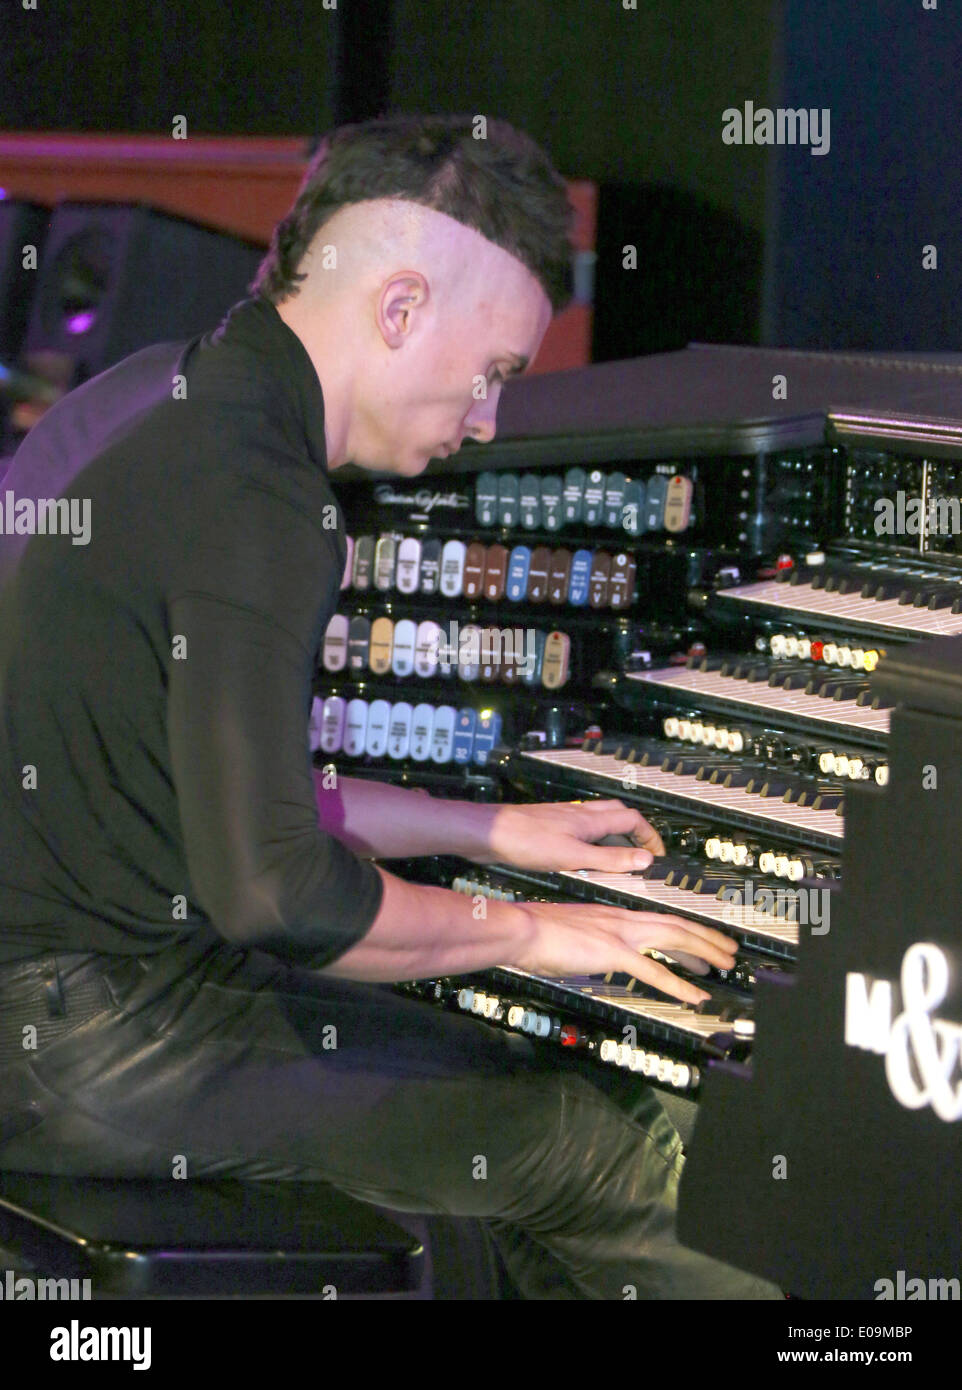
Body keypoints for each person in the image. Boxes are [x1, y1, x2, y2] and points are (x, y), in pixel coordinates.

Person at [0, 114, 781, 1299]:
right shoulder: (259, 497)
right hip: (92, 1041)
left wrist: (488, 832)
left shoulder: (149, 394)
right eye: (495, 372)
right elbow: (275, 893)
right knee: (588, 1150)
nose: (483, 420)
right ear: (402, 307)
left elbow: (196, 788)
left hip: (57, 1009)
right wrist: (538, 933)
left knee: (499, 1096)